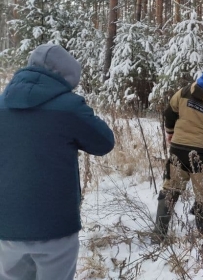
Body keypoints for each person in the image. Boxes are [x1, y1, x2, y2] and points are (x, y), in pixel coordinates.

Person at [0, 44, 115, 280]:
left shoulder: (2, 105)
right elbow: (104, 142)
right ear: (67, 77)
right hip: (56, 226)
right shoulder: (69, 107)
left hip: (6, 225)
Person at [153, 62, 203, 242]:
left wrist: (170, 132)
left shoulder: (185, 91)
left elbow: (169, 111)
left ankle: (159, 234)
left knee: (170, 190)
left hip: (178, 149)